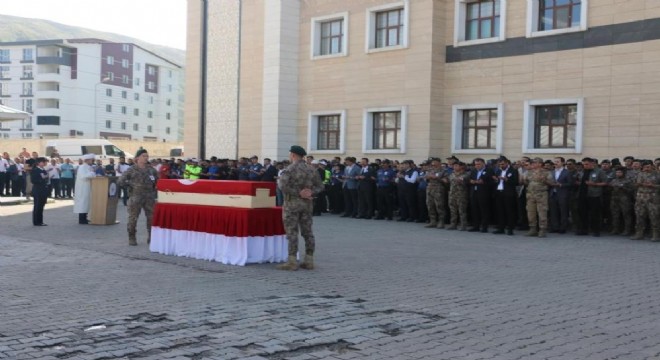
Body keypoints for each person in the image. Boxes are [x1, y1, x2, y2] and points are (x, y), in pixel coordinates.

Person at [276, 145, 324, 271]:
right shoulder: (312, 169)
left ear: (292, 155)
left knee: (292, 232)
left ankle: (292, 262)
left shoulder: (289, 169)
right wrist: (310, 193)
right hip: (307, 205)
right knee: (308, 232)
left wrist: (298, 193)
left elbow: (282, 186)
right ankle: (309, 260)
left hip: (292, 205)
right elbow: (320, 186)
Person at [118, 149, 159, 246]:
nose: (146, 158)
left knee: (151, 218)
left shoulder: (151, 170)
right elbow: (120, 181)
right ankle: (132, 237)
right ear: (137, 158)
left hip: (149, 197)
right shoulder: (131, 169)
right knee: (133, 218)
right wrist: (131, 185)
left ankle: (151, 237)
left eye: (147, 156)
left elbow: (157, 181)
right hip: (136, 197)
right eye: (144, 156)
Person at [73, 154, 97, 224]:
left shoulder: (89, 167)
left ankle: (85, 217)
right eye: (92, 160)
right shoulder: (82, 167)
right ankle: (81, 219)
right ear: (87, 160)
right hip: (83, 188)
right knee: (83, 202)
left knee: (86, 202)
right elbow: (83, 177)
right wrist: (92, 173)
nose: (92, 161)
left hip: (87, 187)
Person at [30, 157, 49, 226]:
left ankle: (40, 221)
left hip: (43, 189)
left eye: (45, 162)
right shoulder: (36, 170)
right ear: (39, 163)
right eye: (43, 162)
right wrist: (42, 178)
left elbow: (45, 178)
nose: (45, 163)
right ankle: (36, 221)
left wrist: (47, 177)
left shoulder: (43, 170)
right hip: (38, 190)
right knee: (37, 206)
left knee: (41, 206)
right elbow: (33, 180)